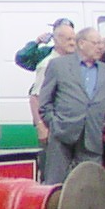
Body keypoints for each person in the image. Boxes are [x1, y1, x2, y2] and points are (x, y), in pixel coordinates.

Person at [37, 26, 105, 185]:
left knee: (90, 185)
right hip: (62, 135)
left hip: (93, 137)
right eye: (95, 43)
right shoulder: (58, 66)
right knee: (55, 184)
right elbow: (44, 101)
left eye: (101, 43)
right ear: (82, 43)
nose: (100, 47)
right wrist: (54, 124)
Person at [28, 19, 78, 150]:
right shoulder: (47, 64)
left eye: (74, 39)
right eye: (68, 40)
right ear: (56, 40)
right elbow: (35, 98)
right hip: (52, 128)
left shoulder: (76, 62)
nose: (73, 43)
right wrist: (41, 127)